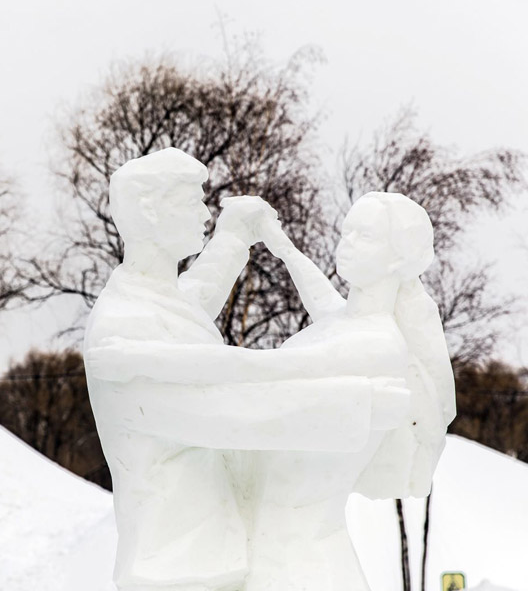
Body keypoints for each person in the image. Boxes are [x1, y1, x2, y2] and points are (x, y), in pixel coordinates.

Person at [84, 149, 410, 591]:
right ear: (149, 211)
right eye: (191, 202)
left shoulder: (157, 299)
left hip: (212, 552)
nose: (204, 212)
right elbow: (228, 415)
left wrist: (234, 238)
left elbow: (192, 303)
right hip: (174, 561)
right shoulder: (124, 323)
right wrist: (361, 406)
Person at [241, 191, 455, 590]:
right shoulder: (346, 322)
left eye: (365, 236)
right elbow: (321, 298)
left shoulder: (373, 344)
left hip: (300, 562)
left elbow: (263, 372)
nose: (348, 243)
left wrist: (155, 360)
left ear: (398, 257)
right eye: (347, 231)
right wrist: (279, 243)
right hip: (280, 549)